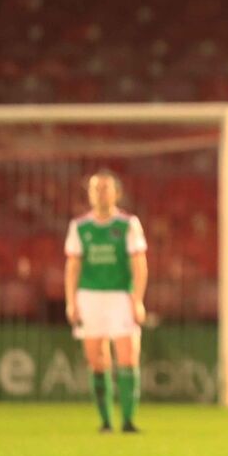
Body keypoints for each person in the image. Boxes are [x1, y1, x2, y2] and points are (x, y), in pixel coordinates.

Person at [64, 170, 148, 433]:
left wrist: (138, 299)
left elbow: (139, 263)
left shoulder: (127, 224)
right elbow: (73, 266)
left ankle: (128, 420)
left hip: (120, 295)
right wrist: (71, 301)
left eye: (105, 188)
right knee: (97, 359)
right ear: (89, 194)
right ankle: (105, 422)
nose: (100, 192)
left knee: (127, 356)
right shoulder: (79, 226)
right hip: (89, 297)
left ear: (117, 193)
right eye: (95, 188)